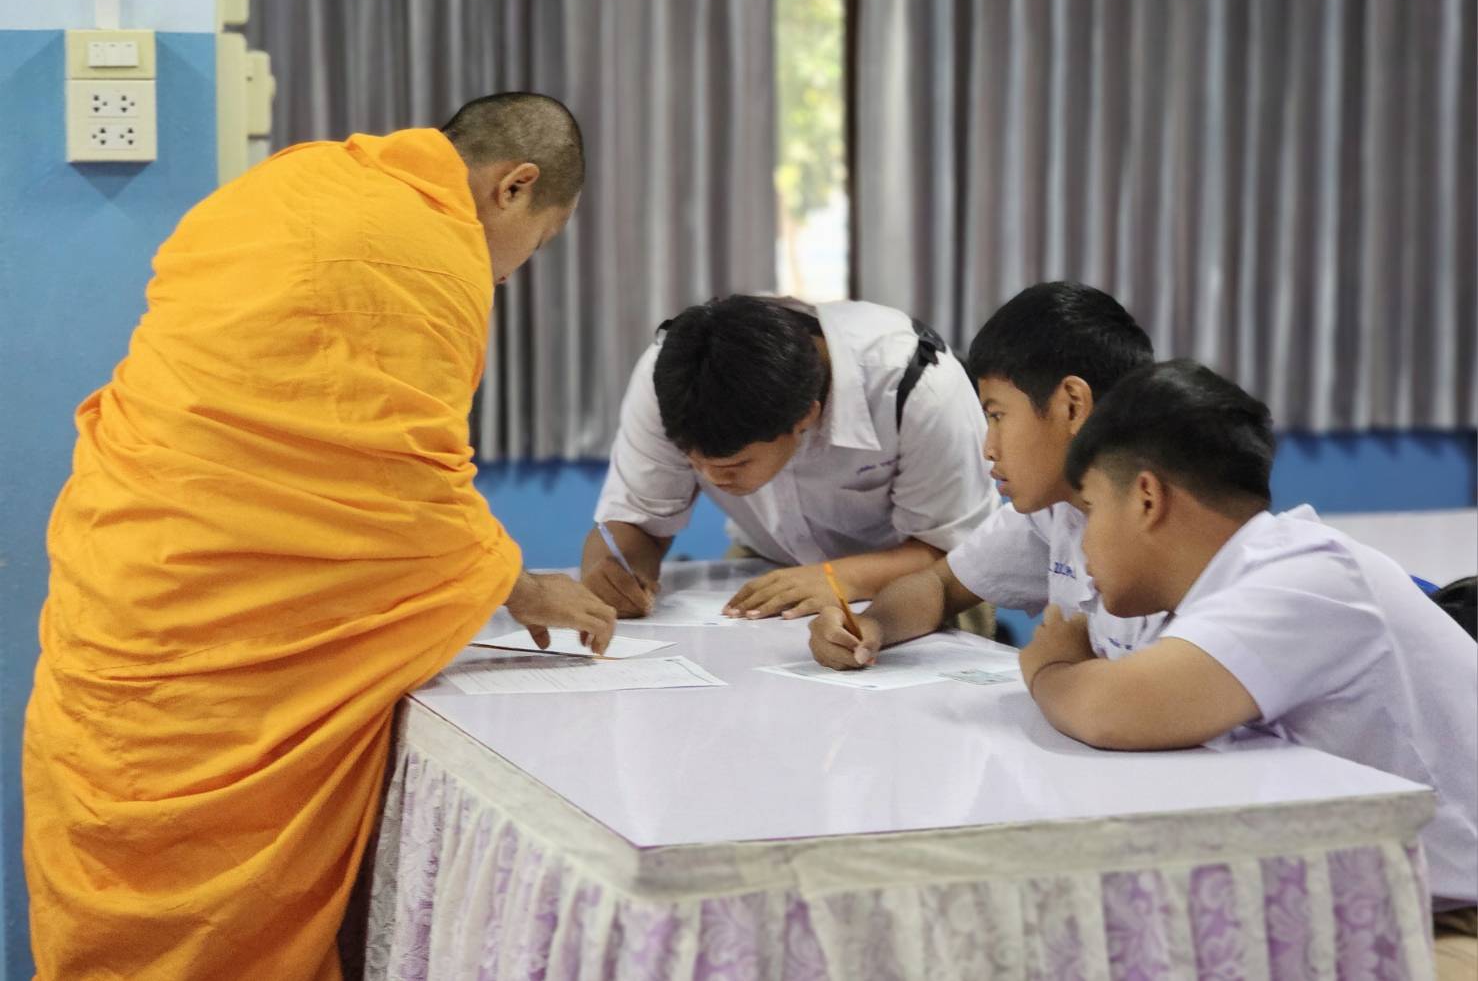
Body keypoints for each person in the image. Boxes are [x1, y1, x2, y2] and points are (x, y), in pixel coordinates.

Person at [23, 92, 617, 980]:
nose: (511, 272)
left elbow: (353, 458)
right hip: (225, 636)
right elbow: (402, 485)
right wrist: (523, 585)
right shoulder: (428, 250)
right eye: (540, 241)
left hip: (129, 586)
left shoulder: (293, 181)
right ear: (514, 187)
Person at [1020, 359, 1477, 974]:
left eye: (1092, 510)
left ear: (1148, 498)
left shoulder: (1305, 575)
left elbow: (1117, 710)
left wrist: (1048, 668)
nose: (1084, 545)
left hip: (1451, 916)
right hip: (1378, 889)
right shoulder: (1220, 588)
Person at [810, 281, 1163, 670]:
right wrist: (869, 626)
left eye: (997, 415)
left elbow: (1152, 713)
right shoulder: (1053, 510)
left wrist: (1049, 669)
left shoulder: (1172, 528)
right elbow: (939, 586)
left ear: (1073, 406)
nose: (988, 447)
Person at [584, 294, 999, 618]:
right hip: (772, 565)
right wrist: (616, 576)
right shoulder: (673, 374)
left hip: (920, 581)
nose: (711, 478)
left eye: (734, 466)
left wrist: (837, 579)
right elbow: (638, 524)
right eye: (693, 463)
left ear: (806, 417)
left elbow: (957, 552)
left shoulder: (916, 387)